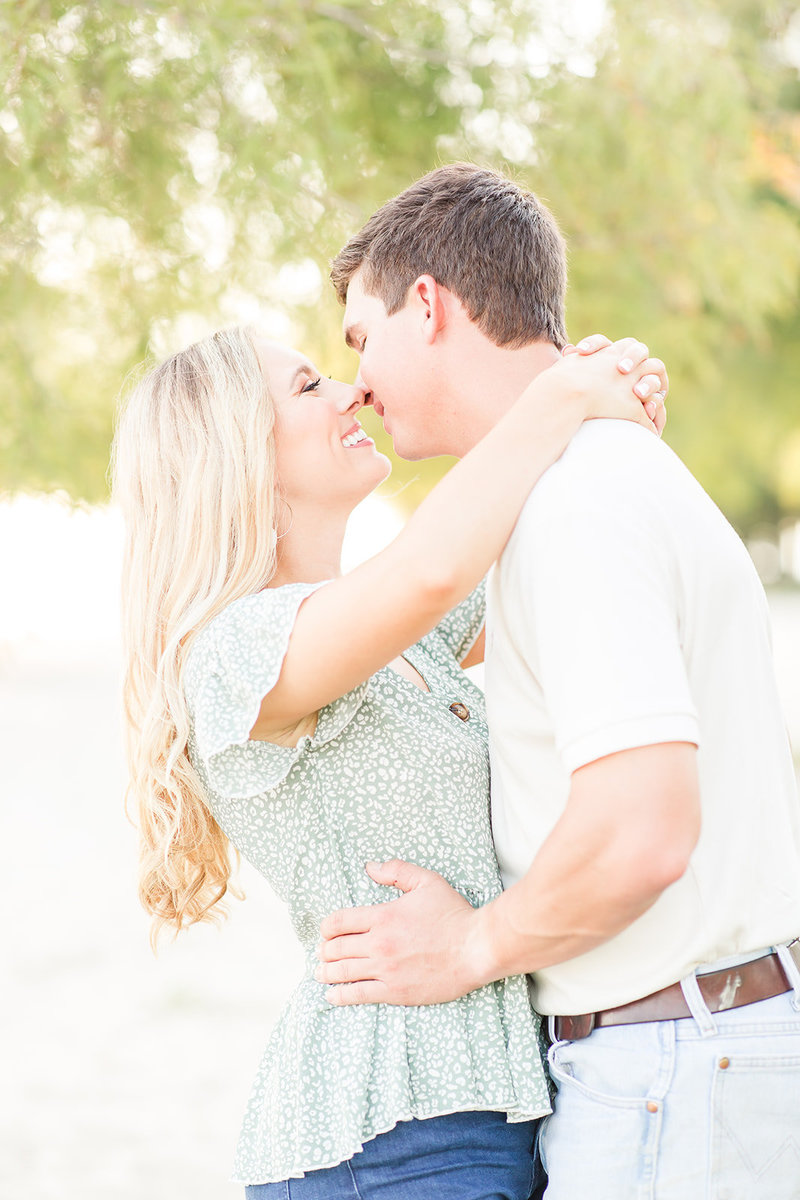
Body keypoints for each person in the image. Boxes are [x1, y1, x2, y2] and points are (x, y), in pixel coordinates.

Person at [317, 163, 800, 1199]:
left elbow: (642, 830)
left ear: (430, 306)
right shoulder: (601, 475)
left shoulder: (572, 509)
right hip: (695, 1054)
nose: (355, 382)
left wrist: (465, 949)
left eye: (362, 339)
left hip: (668, 1072)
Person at [112, 315, 665, 1198]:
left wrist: (609, 420)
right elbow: (432, 569)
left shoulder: (397, 642)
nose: (352, 389)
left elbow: (533, 556)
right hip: (388, 1139)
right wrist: (563, 394)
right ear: (239, 454)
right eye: (307, 386)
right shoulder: (232, 651)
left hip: (484, 1119)